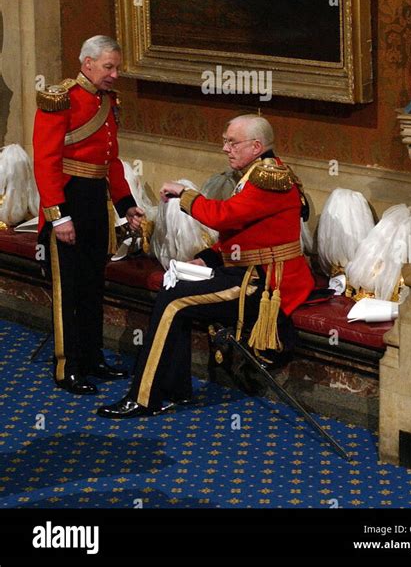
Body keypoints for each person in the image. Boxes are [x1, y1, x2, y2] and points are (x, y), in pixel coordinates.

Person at [97, 114, 315, 418]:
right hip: (245, 271)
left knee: (174, 301)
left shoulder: (269, 179)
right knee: (173, 286)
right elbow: (241, 234)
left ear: (256, 146)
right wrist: (206, 258)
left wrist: (184, 195)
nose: (225, 148)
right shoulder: (257, 173)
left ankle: (145, 397)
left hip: (264, 284)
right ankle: (175, 391)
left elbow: (224, 217)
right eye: (225, 141)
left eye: (232, 142)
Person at [33, 36, 144, 395]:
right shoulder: (60, 98)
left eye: (117, 67)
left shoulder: (107, 101)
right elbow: (46, 161)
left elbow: (110, 161)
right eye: (109, 67)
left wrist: (126, 204)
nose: (115, 74)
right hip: (68, 202)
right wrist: (59, 217)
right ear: (87, 63)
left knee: (94, 284)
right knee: (69, 288)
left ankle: (93, 356)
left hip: (95, 201)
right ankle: (68, 367)